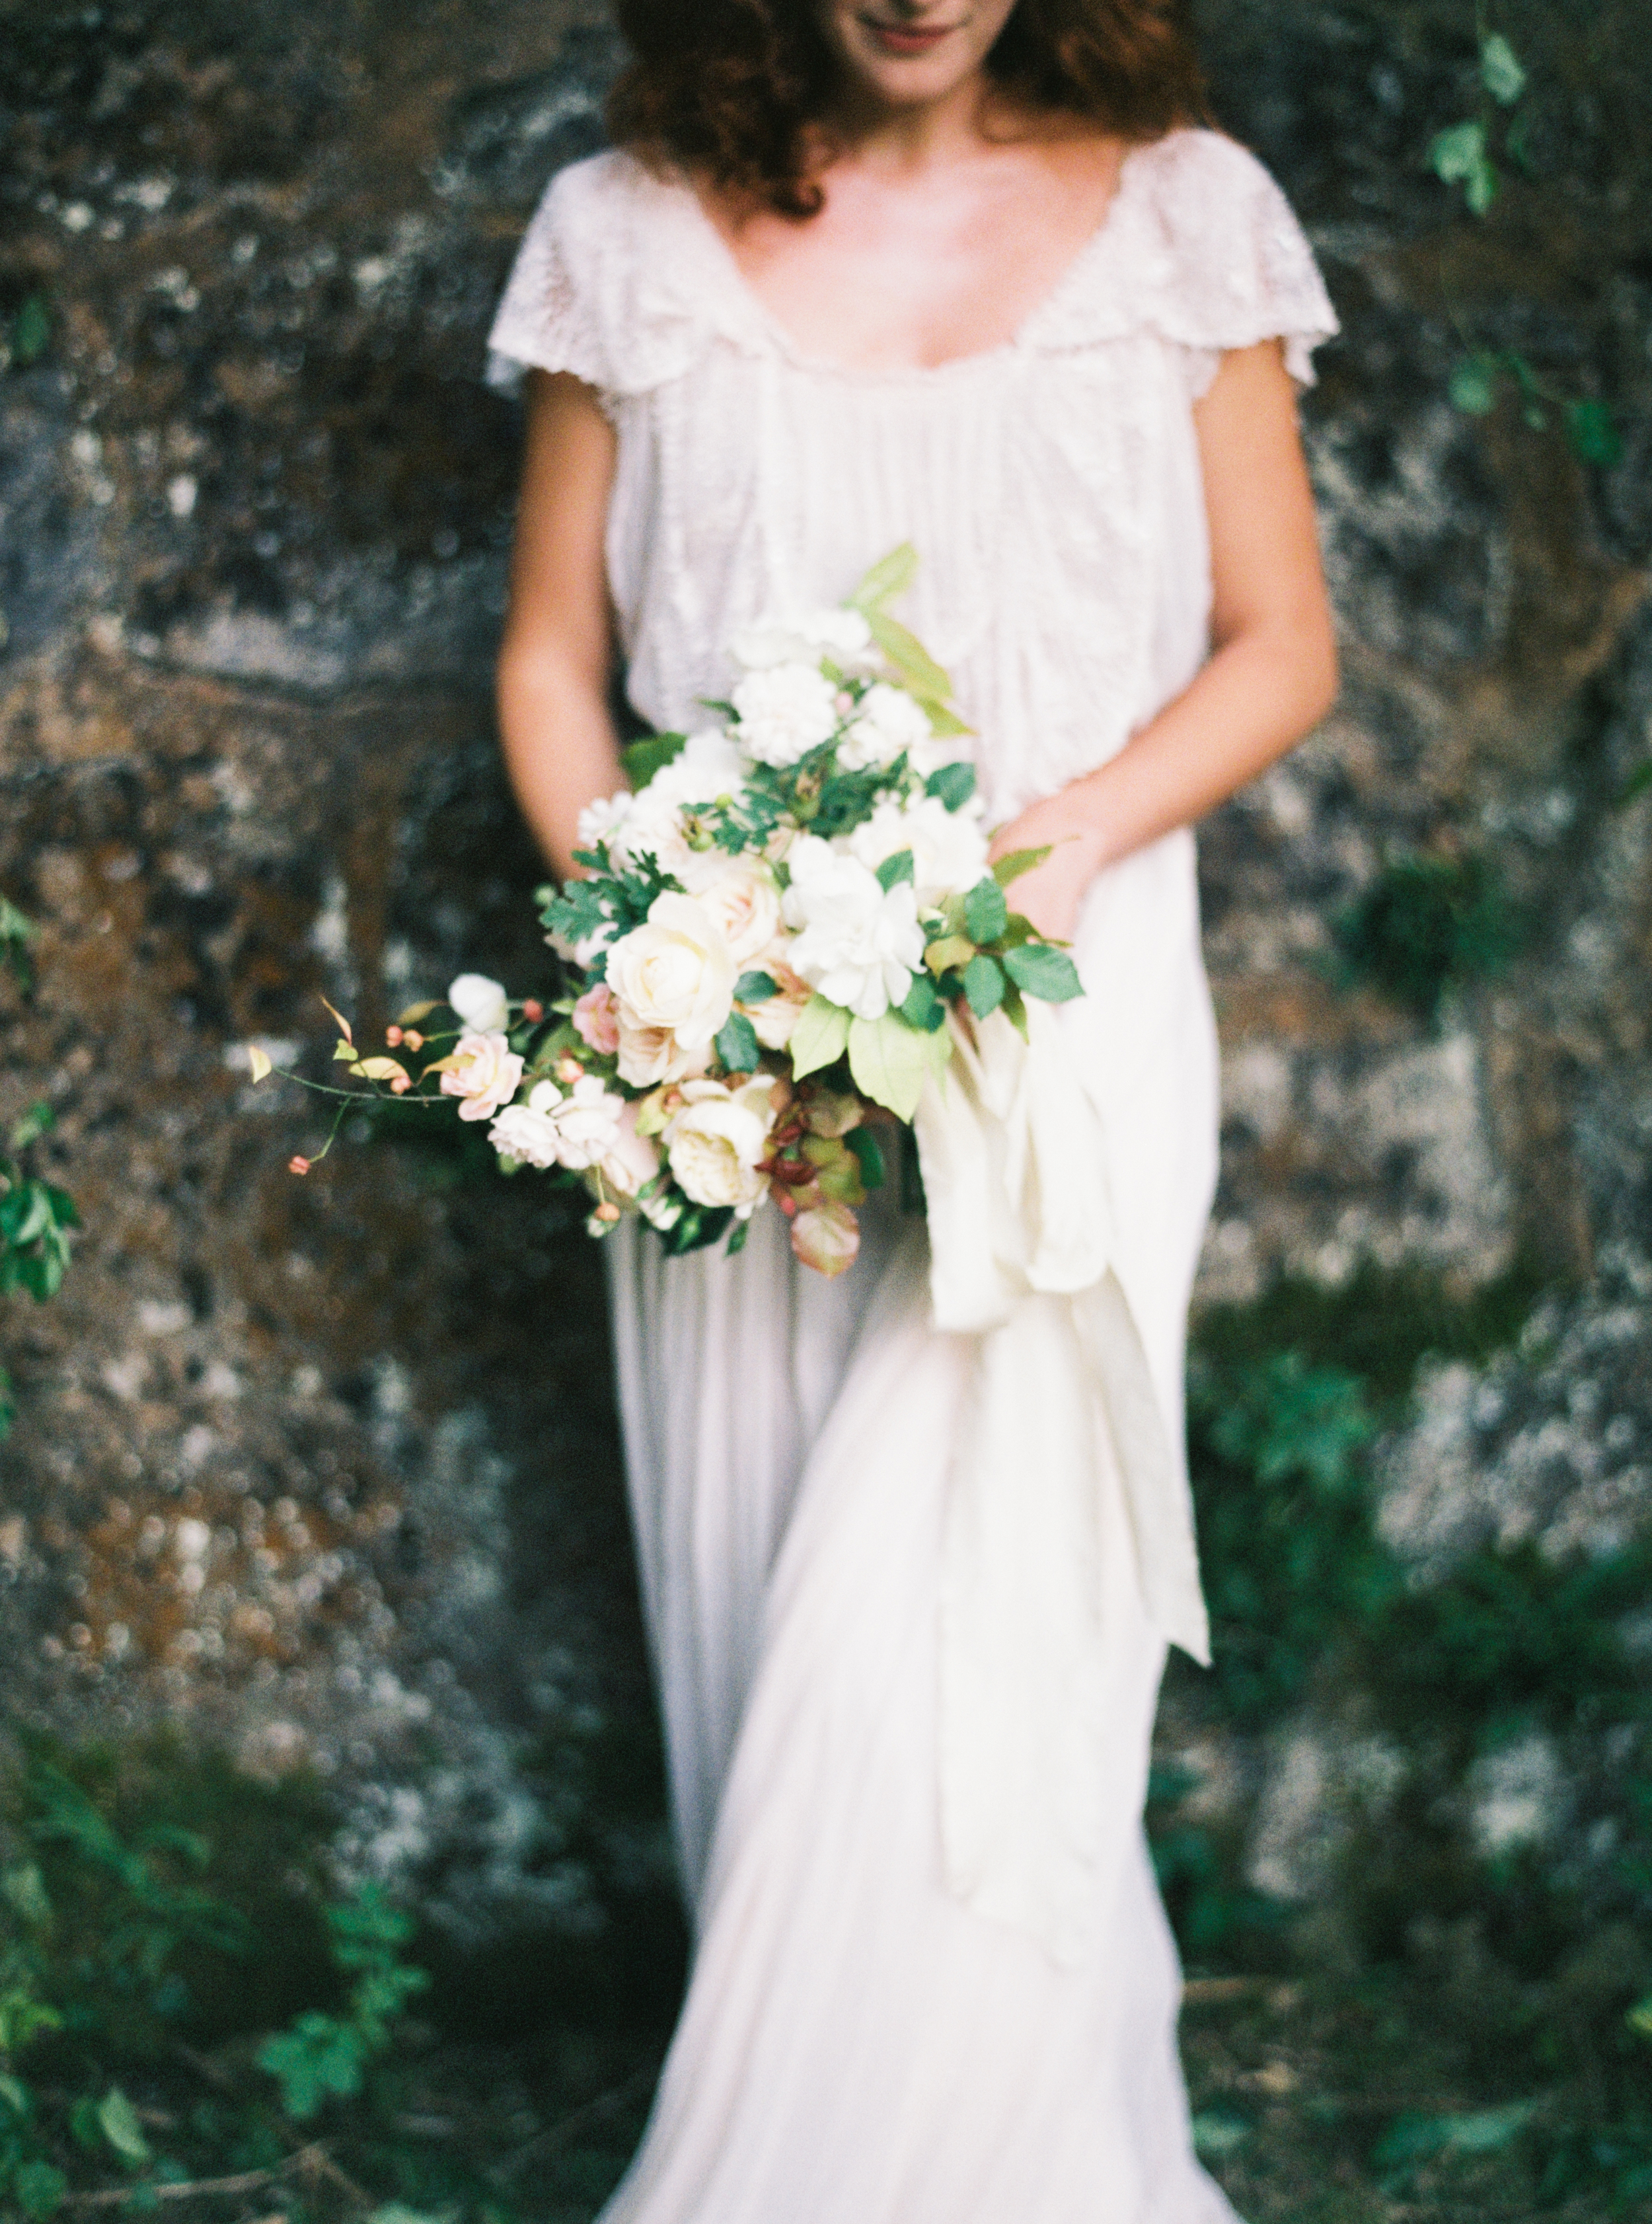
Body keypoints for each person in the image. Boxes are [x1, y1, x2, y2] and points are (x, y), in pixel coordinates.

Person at [488, 1, 1337, 2216]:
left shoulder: (1185, 221)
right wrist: (675, 970)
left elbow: (1278, 641)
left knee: (975, 1644)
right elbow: (550, 665)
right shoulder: (625, 240)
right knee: (777, 1637)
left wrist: (1046, 848)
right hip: (742, 1069)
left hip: (1065, 1036)